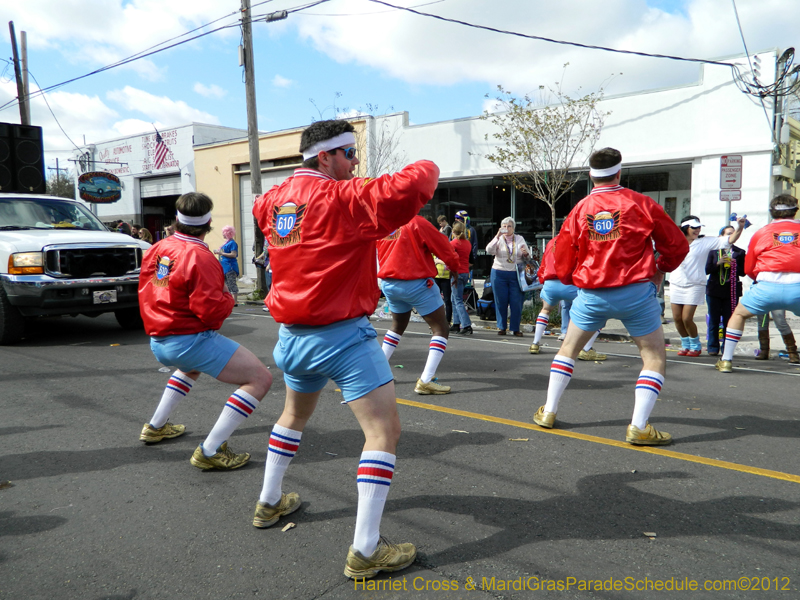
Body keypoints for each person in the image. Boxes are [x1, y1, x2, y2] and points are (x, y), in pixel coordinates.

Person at [252, 119, 439, 579]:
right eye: (350, 155)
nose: (356, 165)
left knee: (293, 416)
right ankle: (366, 549)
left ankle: (269, 502)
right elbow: (422, 177)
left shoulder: (270, 202)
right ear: (325, 157)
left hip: (292, 335)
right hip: (341, 335)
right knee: (383, 432)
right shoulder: (343, 198)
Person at [532, 147, 688, 445]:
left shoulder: (580, 209)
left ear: (590, 176)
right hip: (636, 293)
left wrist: (570, 281)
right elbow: (677, 245)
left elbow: (562, 253)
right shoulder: (640, 203)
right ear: (619, 171)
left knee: (568, 349)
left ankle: (549, 411)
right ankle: (638, 426)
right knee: (653, 356)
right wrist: (660, 270)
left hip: (592, 293)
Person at [138, 192, 272, 471]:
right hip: (188, 339)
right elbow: (211, 312)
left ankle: (156, 426)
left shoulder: (159, 247)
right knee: (260, 378)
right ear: (208, 222)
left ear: (177, 219)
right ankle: (210, 450)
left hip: (158, 338)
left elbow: (147, 290)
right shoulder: (201, 256)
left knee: (190, 368)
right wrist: (228, 299)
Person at [377, 216, 461, 394]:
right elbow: (444, 247)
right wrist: (454, 266)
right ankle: (426, 380)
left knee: (397, 326)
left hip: (389, 283)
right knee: (441, 328)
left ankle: (377, 374)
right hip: (415, 282)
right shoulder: (416, 222)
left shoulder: (385, 222)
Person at [716, 194, 800, 373]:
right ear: (795, 211)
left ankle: (726, 361)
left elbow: (749, 267)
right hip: (798, 287)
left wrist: (759, 279)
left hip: (766, 286)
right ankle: (793, 353)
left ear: (772, 212)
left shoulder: (761, 232)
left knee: (738, 315)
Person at [669, 215, 745, 356]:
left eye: (699, 227)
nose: (697, 230)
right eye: (694, 228)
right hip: (676, 283)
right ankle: (685, 344)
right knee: (677, 319)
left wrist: (739, 227)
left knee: (687, 318)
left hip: (695, 285)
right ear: (685, 228)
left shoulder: (705, 242)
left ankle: (696, 345)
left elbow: (730, 239)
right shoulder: (674, 241)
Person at [528, 237, 606, 361]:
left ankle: (535, 343)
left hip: (550, 283)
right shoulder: (576, 241)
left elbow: (544, 264)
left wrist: (543, 280)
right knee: (598, 313)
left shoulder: (550, 242)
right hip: (569, 284)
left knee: (546, 310)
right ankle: (586, 349)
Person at [704, 225, 745, 356]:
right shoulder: (713, 251)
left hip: (731, 291)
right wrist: (718, 263)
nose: (731, 236)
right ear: (721, 236)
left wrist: (735, 265)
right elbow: (706, 270)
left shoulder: (739, 252)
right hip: (714, 289)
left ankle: (726, 348)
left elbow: (743, 272)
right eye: (728, 234)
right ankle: (712, 347)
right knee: (714, 319)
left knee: (729, 320)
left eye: (733, 234)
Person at [486, 217, 530, 337]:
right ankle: (502, 327)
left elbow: (528, 256)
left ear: (513, 228)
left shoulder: (519, 238)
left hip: (516, 274)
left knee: (516, 301)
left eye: (509, 226)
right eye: (504, 226)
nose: (506, 228)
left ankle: (515, 328)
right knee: (501, 301)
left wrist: (525, 253)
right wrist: (497, 236)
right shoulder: (499, 238)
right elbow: (489, 250)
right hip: (499, 273)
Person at [450, 221, 473, 335]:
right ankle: (456, 323)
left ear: (453, 232)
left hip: (456, 273)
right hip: (465, 273)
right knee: (454, 298)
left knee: (457, 300)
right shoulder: (467, 243)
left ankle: (466, 324)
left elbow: (450, 258)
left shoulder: (453, 243)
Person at [214, 225, 240, 299]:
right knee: (225, 284)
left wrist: (221, 253)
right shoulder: (226, 243)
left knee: (232, 284)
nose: (222, 234)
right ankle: (228, 299)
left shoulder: (232, 243)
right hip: (224, 267)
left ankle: (235, 301)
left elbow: (233, 254)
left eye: (224, 233)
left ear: (228, 233)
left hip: (230, 267)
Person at [433, 254, 453, 326]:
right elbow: (432, 261)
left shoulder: (445, 252)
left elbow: (449, 261)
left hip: (446, 278)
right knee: (435, 300)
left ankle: (448, 321)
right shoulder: (434, 252)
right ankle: (435, 321)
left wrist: (438, 261)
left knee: (447, 300)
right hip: (436, 277)